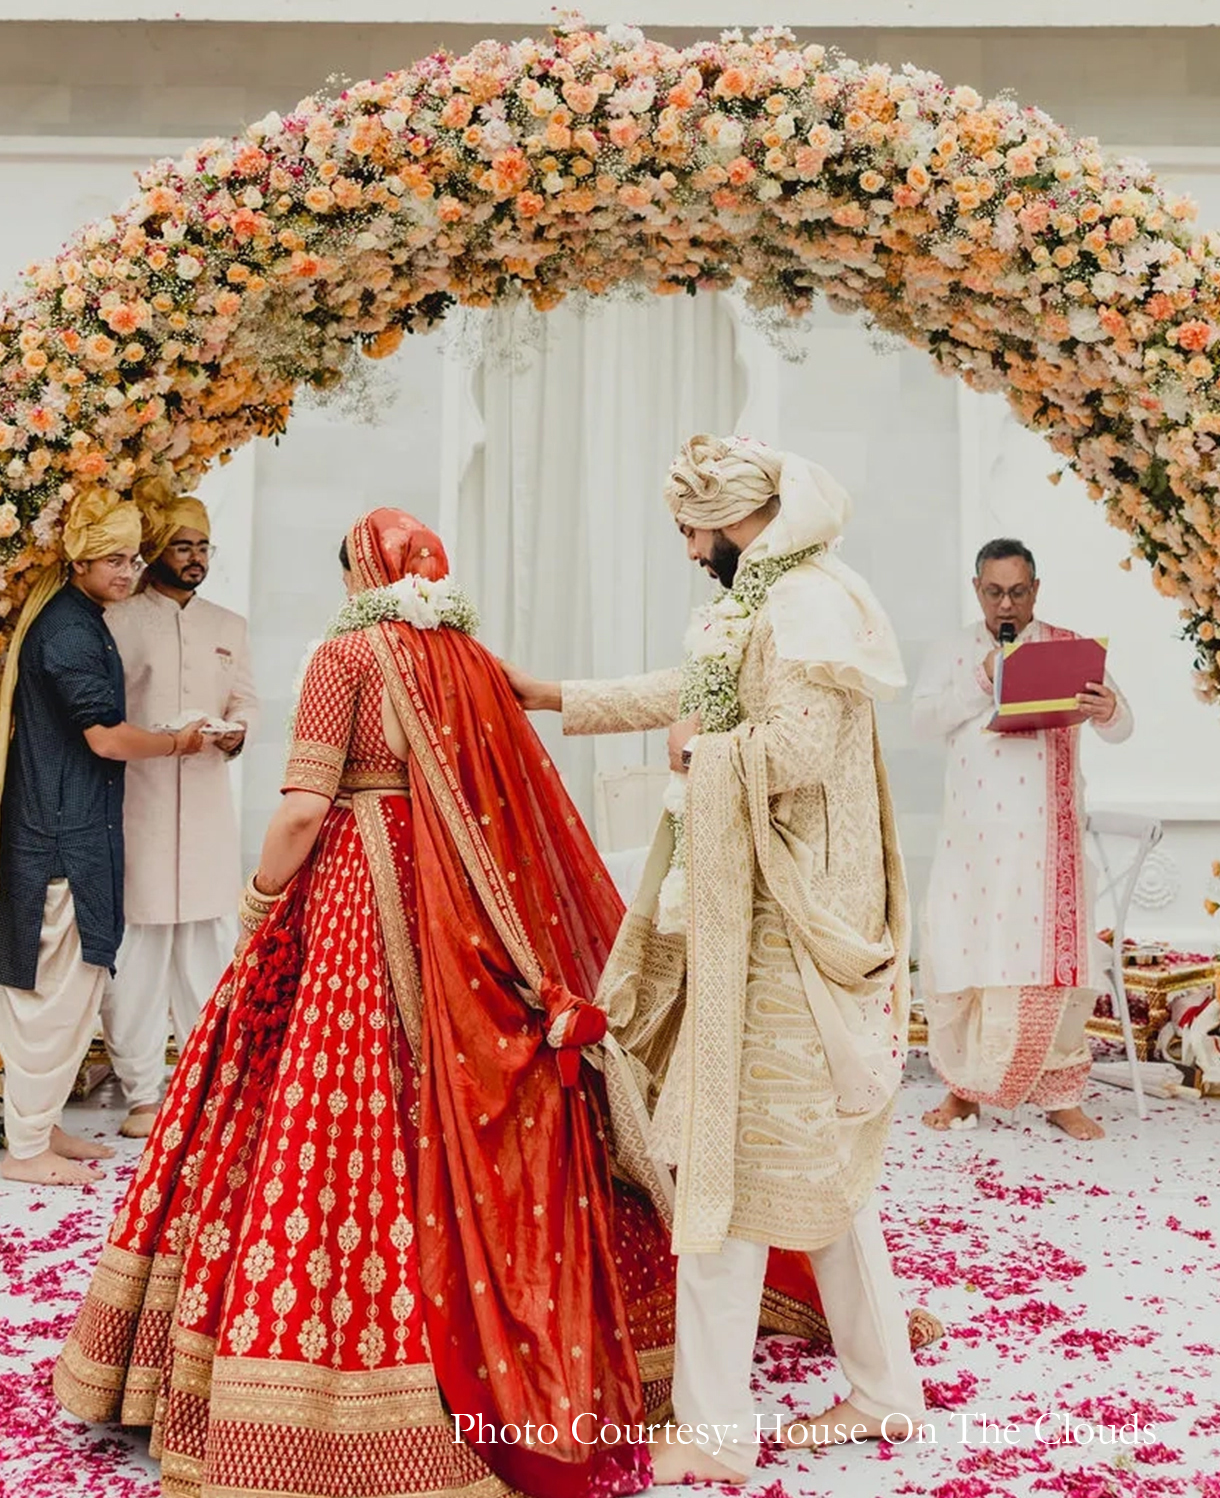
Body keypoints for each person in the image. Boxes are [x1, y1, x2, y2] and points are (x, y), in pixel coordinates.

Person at [56, 507, 844, 1498]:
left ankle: (331, 1390)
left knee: (334, 1114)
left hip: (354, 899)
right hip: (468, 910)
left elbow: (304, 803)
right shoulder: (467, 657)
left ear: (359, 575)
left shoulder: (346, 654)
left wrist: (261, 904)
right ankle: (622, 1345)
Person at [506, 435, 929, 1485]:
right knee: (808, 1173)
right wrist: (553, 695)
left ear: (729, 520)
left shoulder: (803, 609)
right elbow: (694, 686)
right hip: (755, 917)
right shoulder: (771, 598)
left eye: (691, 532)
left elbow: (795, 750)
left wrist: (700, 754)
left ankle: (710, 1431)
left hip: (781, 929)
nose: (689, 552)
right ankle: (882, 1392)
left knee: (725, 1169)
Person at [0, 488, 206, 1188]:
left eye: (134, 557)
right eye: (113, 559)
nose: (128, 571)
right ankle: (24, 1149)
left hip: (70, 828)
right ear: (80, 560)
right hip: (58, 837)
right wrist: (181, 742)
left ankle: (42, 1123)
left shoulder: (80, 618)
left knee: (74, 989)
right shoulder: (70, 632)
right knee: (50, 994)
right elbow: (107, 738)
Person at [912, 537, 1133, 1143]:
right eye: (993, 592)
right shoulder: (953, 650)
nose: (1005, 604)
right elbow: (922, 721)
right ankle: (964, 1089)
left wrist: (1108, 709)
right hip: (973, 841)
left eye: (1016, 592)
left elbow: (1123, 726)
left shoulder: (1068, 649)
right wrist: (982, 681)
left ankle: (1061, 1095)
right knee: (968, 956)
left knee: (1052, 966)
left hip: (1047, 843)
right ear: (976, 588)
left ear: (1036, 589)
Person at [101, 480, 258, 1139]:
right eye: (181, 546)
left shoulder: (229, 626)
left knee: (205, 949)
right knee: (137, 954)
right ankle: (141, 1091)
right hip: (139, 804)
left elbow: (246, 703)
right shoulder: (118, 621)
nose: (195, 558)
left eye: (203, 547)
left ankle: (202, 1082)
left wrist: (236, 733)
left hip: (205, 808)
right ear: (155, 551)